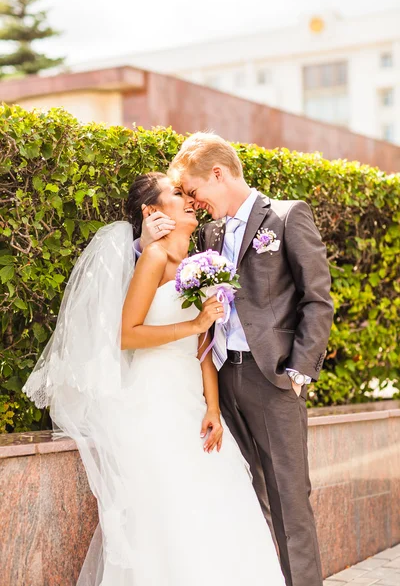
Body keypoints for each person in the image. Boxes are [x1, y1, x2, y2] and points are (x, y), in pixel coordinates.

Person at [23, 172, 286, 586]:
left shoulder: (197, 263)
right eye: (177, 194)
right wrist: (194, 322)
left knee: (218, 506)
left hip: (192, 402)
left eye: (187, 192)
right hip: (153, 402)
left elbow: (204, 347)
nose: (189, 200)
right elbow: (127, 334)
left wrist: (214, 408)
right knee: (172, 512)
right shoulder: (154, 258)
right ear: (152, 212)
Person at [140, 133, 334, 586]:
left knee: (288, 497)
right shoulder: (208, 230)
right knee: (245, 497)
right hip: (221, 380)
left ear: (218, 173)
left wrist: (299, 371)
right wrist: (143, 240)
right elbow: (165, 273)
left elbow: (318, 301)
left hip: (273, 379)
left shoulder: (286, 216)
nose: (193, 201)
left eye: (193, 191)